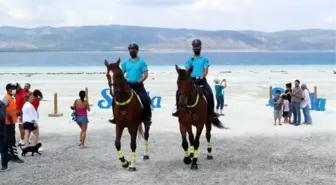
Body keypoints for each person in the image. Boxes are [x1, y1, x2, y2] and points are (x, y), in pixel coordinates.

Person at [172, 39, 218, 119]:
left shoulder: (204, 59)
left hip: (201, 80)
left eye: (197, 47)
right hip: (191, 81)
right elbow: (187, 70)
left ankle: (211, 112)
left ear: (200, 47)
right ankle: (178, 109)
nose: (196, 48)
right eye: (194, 47)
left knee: (209, 93)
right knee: (178, 92)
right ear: (192, 48)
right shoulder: (190, 59)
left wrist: (201, 77)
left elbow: (206, 70)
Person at [109, 43, 152, 126]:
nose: (132, 51)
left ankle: (147, 118)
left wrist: (138, 82)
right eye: (130, 49)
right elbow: (121, 74)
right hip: (128, 85)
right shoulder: (125, 63)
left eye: (134, 49)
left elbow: (146, 75)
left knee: (146, 99)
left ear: (137, 51)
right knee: (114, 100)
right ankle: (115, 117)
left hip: (138, 85)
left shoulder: (142, 62)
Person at [2, 83, 24, 163]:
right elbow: (2, 107)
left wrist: (17, 113)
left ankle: (9, 156)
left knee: (8, 140)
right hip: (8, 124)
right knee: (11, 140)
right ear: (8, 90)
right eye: (13, 88)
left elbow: (10, 110)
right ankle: (14, 157)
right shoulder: (6, 98)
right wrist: (9, 117)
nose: (15, 90)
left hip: (9, 123)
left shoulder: (11, 98)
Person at [0, 100, 9, 171]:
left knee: (3, 149)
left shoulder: (1, 104)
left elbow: (2, 117)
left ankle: (4, 165)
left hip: (1, 131)